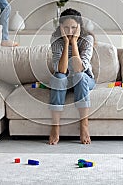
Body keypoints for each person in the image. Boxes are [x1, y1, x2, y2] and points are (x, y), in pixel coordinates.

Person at [49, 8, 96, 145]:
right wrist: (66, 42)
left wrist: (74, 42)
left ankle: (84, 126)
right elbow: (62, 70)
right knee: (59, 77)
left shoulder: (87, 39)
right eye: (66, 28)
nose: (70, 31)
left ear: (79, 27)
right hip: (64, 79)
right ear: (61, 27)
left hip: (84, 79)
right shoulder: (56, 39)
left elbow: (78, 68)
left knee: (79, 76)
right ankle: (55, 127)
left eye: (74, 27)